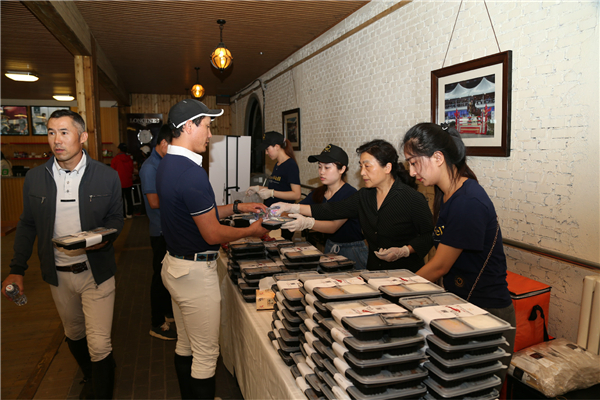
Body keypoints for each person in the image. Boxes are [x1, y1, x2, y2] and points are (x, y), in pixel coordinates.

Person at [1, 109, 123, 399]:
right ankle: (92, 374)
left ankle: (100, 389)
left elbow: (116, 220)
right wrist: (17, 269)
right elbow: (28, 225)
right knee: (74, 334)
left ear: (82, 137)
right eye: (51, 132)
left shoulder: (107, 177)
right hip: (58, 275)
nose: (56, 140)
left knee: (100, 344)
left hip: (97, 272)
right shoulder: (35, 178)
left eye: (64, 132)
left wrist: (104, 239)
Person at [156, 99, 269, 399]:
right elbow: (211, 233)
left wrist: (236, 207)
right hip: (194, 274)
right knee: (206, 355)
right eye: (207, 127)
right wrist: (252, 231)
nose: (210, 135)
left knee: (185, 344)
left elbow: (196, 212)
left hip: (174, 266)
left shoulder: (169, 162)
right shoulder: (192, 173)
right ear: (189, 126)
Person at [402, 122, 516, 387]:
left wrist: (397, 290)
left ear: (438, 157)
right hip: (461, 305)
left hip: (487, 311)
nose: (411, 171)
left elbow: (440, 265)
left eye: (414, 163)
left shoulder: (468, 201)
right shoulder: (446, 194)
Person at [274, 139, 434, 271]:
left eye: (367, 166)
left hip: (406, 274)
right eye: (360, 166)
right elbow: (332, 209)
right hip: (374, 273)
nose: (362, 172)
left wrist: (404, 250)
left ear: (387, 167)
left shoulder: (412, 198)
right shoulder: (364, 196)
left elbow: (428, 236)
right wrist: (292, 207)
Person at [280, 144, 368, 269]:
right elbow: (299, 208)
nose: (321, 172)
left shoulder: (349, 194)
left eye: (327, 167)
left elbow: (333, 227)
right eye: (320, 167)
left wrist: (308, 223)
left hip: (352, 250)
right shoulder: (319, 193)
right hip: (330, 246)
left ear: (342, 169)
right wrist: (280, 211)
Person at [139, 124, 176, 340]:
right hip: (159, 229)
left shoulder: (163, 162)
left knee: (166, 274)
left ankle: (167, 313)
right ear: (163, 144)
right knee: (158, 277)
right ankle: (156, 322)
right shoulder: (150, 167)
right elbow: (153, 202)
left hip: (168, 227)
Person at [247, 131, 301, 240]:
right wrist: (259, 188)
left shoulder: (290, 165)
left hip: (283, 217)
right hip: (272, 216)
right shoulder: (277, 164)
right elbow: (278, 188)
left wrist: (271, 193)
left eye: (267, 149)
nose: (266, 153)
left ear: (277, 146)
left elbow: (296, 195)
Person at [111, 142, 134, 218]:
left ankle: (123, 215)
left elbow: (112, 171)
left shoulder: (115, 159)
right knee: (129, 198)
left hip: (119, 182)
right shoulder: (129, 158)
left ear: (119, 149)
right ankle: (130, 213)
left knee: (120, 200)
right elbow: (132, 170)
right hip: (128, 181)